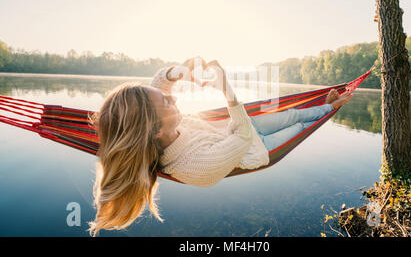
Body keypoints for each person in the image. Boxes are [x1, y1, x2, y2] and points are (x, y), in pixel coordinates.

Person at [88, 57, 353, 236]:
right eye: (168, 102)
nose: (174, 98)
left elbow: (159, 86)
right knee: (299, 128)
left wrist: (176, 72)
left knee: (294, 114)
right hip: (256, 149)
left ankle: (324, 105)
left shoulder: (157, 128)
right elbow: (243, 140)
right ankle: (331, 108)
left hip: (240, 126)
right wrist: (227, 92)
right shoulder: (194, 167)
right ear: (156, 129)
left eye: (169, 97)